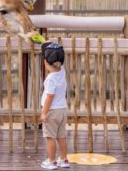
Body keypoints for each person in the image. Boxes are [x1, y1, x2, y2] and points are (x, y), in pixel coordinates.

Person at [40, 42, 70, 170]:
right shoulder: (62, 72)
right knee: (61, 136)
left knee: (50, 137)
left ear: (45, 62)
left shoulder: (50, 79)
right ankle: (63, 159)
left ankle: (51, 161)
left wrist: (44, 112)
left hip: (52, 112)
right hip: (62, 110)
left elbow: (49, 97)